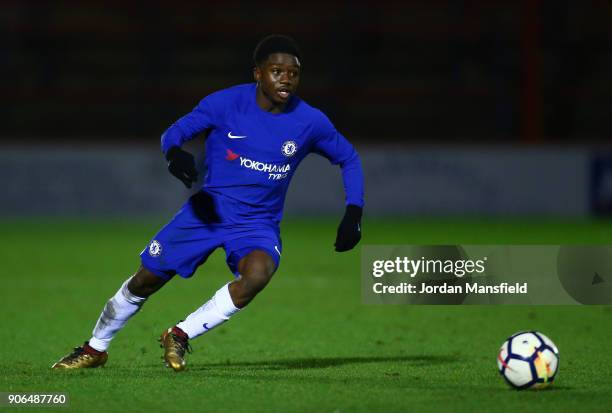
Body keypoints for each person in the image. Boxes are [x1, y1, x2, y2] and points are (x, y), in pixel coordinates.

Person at [52, 34, 364, 372]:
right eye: (277, 71)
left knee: (258, 275)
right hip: (209, 212)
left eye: (293, 73)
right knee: (146, 280)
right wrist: (174, 153)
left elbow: (348, 157)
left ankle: (180, 333)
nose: (286, 79)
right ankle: (95, 348)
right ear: (257, 74)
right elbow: (173, 132)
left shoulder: (310, 121)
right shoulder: (224, 104)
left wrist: (353, 210)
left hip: (257, 224)